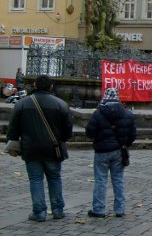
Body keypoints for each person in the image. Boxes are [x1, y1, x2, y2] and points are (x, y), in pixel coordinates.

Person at [6, 75, 73, 221]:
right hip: (53, 149)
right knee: (55, 178)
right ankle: (57, 209)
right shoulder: (61, 104)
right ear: (51, 87)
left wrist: (13, 142)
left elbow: (13, 128)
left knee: (35, 180)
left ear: (35, 85)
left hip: (31, 148)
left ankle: (39, 212)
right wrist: (63, 139)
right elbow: (68, 129)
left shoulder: (22, 104)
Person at [85, 88, 136, 217]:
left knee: (100, 181)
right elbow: (133, 135)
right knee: (118, 180)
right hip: (119, 151)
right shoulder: (127, 114)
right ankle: (119, 209)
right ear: (118, 98)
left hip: (101, 151)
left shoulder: (98, 113)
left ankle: (99, 209)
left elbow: (89, 133)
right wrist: (125, 144)